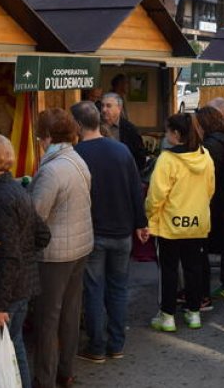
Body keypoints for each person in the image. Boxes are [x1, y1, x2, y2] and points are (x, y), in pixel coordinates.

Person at [70, 102, 147, 363]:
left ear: (77, 125)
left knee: (93, 290)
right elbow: (135, 189)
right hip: (122, 233)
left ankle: (96, 347)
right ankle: (116, 344)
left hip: (93, 233)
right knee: (118, 289)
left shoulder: (76, 154)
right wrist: (141, 223)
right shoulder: (121, 150)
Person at [0, 133, 50, 388]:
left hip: (8, 291)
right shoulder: (17, 189)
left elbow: (8, 255)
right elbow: (42, 235)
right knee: (14, 348)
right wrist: (22, 255)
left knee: (2, 355)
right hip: (22, 286)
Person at [29, 108, 94, 388]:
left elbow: (36, 216)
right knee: (70, 313)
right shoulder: (77, 159)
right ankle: (65, 371)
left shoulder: (52, 170)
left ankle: (44, 378)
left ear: (46, 136)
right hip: (80, 246)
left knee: (48, 318)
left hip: (55, 254)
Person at [145, 112, 215, 333]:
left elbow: (156, 195)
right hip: (197, 223)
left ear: (176, 133)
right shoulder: (205, 155)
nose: (166, 135)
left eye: (167, 131)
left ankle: (167, 315)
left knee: (169, 271)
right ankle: (194, 313)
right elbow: (210, 189)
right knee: (194, 268)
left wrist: (149, 217)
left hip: (169, 224)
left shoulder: (167, 159)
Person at [196, 106, 224, 301]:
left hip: (215, 201)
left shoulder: (210, 146)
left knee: (203, 248)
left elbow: (210, 177)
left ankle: (205, 293)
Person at [101, 93, 147, 176]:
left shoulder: (130, 129)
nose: (104, 110)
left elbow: (140, 158)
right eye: (102, 105)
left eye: (108, 106)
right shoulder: (95, 126)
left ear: (119, 108)